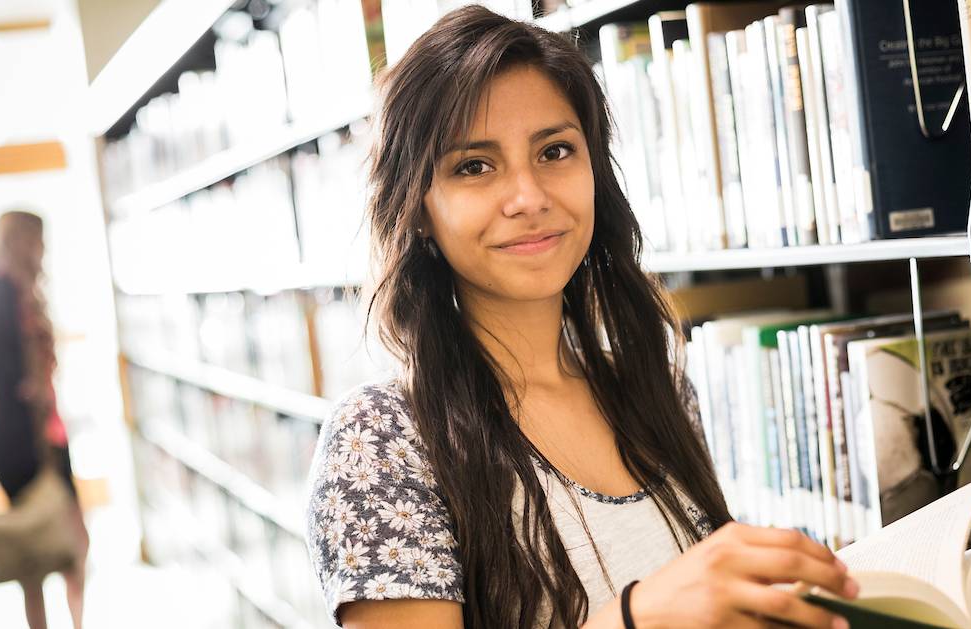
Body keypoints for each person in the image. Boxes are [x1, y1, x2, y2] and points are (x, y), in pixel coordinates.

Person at [305, 7, 858, 628]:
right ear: (418, 210)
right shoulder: (382, 438)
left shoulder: (653, 383)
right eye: (474, 166)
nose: (529, 197)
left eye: (556, 151)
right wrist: (639, 617)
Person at [0, 210, 88, 629]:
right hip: (17, 439)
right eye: (37, 240)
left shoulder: (26, 292)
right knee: (39, 550)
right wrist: (17, 379)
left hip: (45, 433)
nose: (42, 249)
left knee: (66, 543)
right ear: (21, 241)